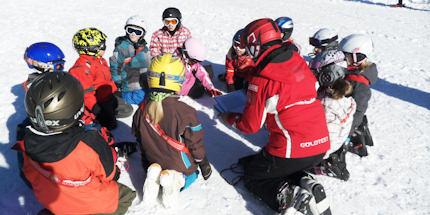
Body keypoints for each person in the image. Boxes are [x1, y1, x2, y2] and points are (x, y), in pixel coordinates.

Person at [219, 18, 331, 214]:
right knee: (276, 165)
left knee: (254, 175)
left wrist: (228, 117)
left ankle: (290, 196)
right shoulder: (297, 60)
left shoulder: (262, 79)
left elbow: (250, 126)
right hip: (321, 143)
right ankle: (307, 183)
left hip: (290, 148)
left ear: (255, 45)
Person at [15, 72, 135, 215]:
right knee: (126, 196)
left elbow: (27, 175)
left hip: (49, 198)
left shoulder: (24, 138)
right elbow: (110, 174)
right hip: (83, 201)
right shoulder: (88, 142)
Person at [132, 54, 212, 208]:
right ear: (179, 80)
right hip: (179, 164)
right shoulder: (185, 111)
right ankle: (175, 180)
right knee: (193, 174)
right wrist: (202, 161)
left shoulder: (141, 108)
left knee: (155, 166)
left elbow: (137, 136)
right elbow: (195, 143)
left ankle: (153, 176)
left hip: (150, 161)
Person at [69, 27, 133, 130]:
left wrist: (114, 91)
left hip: (107, 97)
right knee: (111, 125)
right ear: (91, 49)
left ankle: (108, 112)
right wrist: (97, 109)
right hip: (97, 102)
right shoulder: (81, 68)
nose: (105, 47)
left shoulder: (101, 61)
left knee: (127, 110)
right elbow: (86, 93)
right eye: (102, 46)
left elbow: (108, 80)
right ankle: (96, 118)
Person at [339, 34, 378, 157]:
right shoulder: (352, 71)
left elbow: (358, 111)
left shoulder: (359, 83)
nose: (343, 58)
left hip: (345, 123)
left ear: (358, 57)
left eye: (346, 55)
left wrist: (344, 134)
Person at [110, 15, 151, 105]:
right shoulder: (121, 47)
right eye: (130, 30)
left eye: (137, 32)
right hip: (128, 84)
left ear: (142, 34)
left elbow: (148, 64)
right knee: (142, 98)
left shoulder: (144, 48)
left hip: (143, 82)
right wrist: (118, 82)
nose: (133, 34)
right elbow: (114, 65)